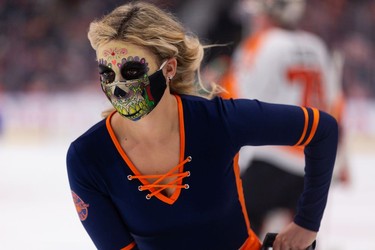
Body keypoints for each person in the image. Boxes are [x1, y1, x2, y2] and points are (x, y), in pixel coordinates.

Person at [66, 2, 338, 250]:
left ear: (169, 68)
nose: (118, 86)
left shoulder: (218, 121)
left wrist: (307, 224)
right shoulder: (88, 157)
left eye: (132, 71)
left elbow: (322, 130)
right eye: (106, 73)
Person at [220, 0, 349, 238]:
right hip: (311, 163)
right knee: (298, 237)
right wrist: (340, 158)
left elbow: (237, 101)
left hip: (268, 159)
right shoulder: (316, 44)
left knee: (238, 229)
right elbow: (335, 104)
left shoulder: (260, 43)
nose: (253, 19)